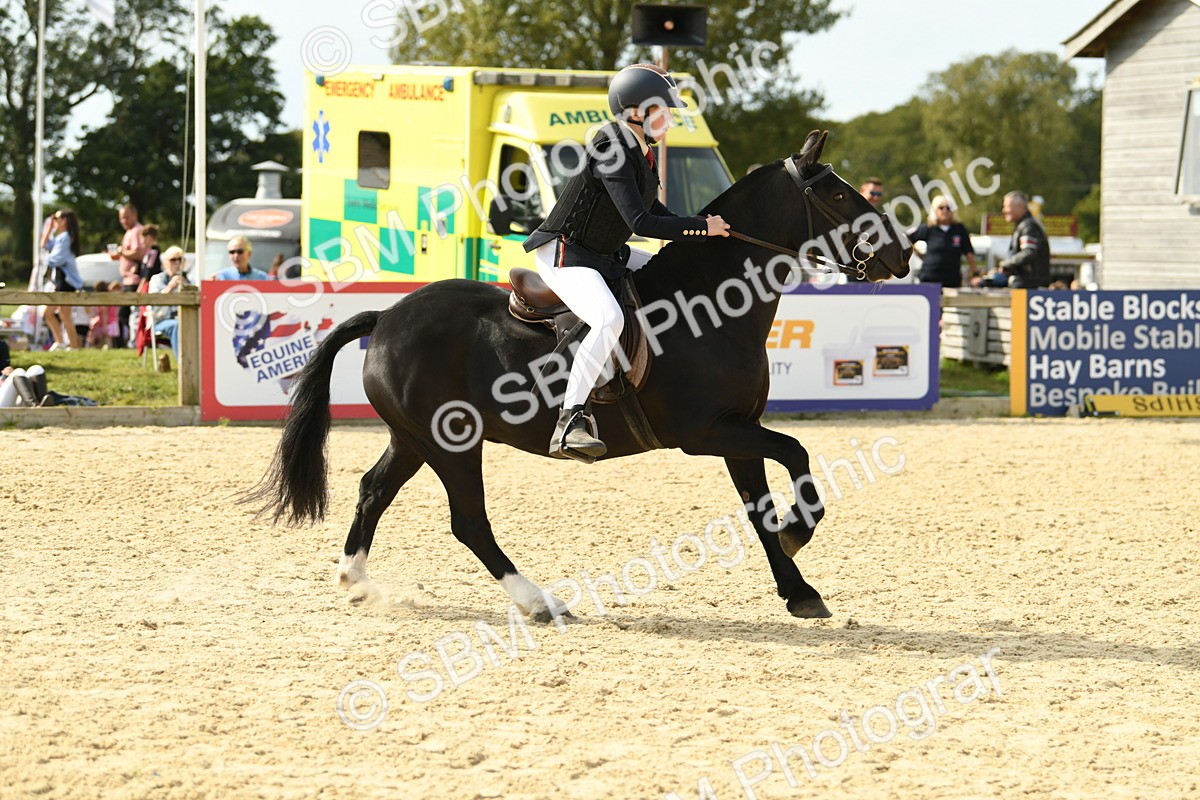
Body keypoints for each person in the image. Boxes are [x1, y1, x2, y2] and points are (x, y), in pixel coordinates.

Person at [521, 63, 730, 462]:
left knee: (665, 274)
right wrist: (701, 228)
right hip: (567, 255)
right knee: (608, 320)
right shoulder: (613, 148)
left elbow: (655, 210)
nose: (669, 120)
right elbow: (641, 222)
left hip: (602, 254)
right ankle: (569, 421)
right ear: (635, 110)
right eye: (662, 111)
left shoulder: (640, 151)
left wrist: (705, 233)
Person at [908, 197, 978, 288]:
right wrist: (920, 255)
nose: (945, 210)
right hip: (929, 279)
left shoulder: (959, 229)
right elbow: (906, 239)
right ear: (935, 211)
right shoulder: (928, 228)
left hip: (952, 281)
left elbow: (969, 253)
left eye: (948, 208)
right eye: (941, 208)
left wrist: (975, 274)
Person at [42, 209, 83, 350]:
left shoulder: (65, 238)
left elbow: (56, 259)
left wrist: (44, 258)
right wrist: (49, 229)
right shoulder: (62, 237)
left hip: (66, 283)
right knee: (50, 314)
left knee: (65, 316)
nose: (55, 221)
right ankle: (60, 342)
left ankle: (74, 347)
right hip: (60, 283)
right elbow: (45, 245)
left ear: (65, 220)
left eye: (57, 218)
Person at [996, 191, 1051, 289]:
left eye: (1007, 206)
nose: (1004, 210)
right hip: (1029, 285)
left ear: (1019, 207)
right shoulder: (1024, 225)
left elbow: (1029, 252)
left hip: (1029, 288)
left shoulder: (1028, 226)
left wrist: (1006, 264)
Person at [111, 203, 145, 346]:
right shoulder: (129, 232)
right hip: (127, 280)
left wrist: (121, 252)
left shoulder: (137, 231)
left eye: (126, 217)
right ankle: (127, 343)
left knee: (126, 315)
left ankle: (128, 344)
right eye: (121, 218)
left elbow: (139, 253)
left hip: (134, 281)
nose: (123, 221)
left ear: (134, 215)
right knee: (124, 315)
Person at [148, 246, 190, 354]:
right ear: (165, 262)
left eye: (179, 259)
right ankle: (182, 363)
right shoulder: (157, 279)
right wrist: (170, 288)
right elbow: (154, 303)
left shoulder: (188, 280)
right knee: (176, 325)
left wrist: (186, 286)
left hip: (184, 318)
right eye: (173, 260)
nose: (177, 263)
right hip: (161, 320)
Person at [88, 281, 119, 349]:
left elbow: (104, 313)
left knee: (105, 340)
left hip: (106, 322)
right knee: (108, 340)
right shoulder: (112, 297)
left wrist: (104, 326)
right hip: (113, 321)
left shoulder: (103, 299)